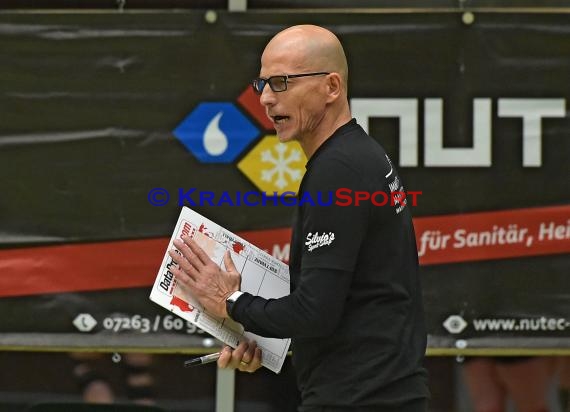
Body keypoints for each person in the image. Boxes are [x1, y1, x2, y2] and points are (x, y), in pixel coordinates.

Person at [169, 24, 429, 412]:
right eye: (262, 85)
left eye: (282, 82)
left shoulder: (339, 170)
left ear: (332, 87)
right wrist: (259, 335)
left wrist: (231, 302)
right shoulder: (356, 156)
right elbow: (342, 303)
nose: (267, 99)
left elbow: (315, 312)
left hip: (361, 399)